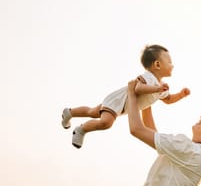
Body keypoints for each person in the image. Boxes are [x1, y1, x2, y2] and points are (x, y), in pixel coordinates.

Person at [61, 44, 191, 148]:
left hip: (122, 106)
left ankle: (69, 112)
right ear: (157, 64)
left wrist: (180, 95)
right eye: (169, 62)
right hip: (119, 100)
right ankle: (81, 130)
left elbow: (168, 100)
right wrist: (157, 88)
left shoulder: (161, 86)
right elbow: (138, 88)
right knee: (106, 122)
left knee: (92, 112)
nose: (172, 65)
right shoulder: (149, 78)